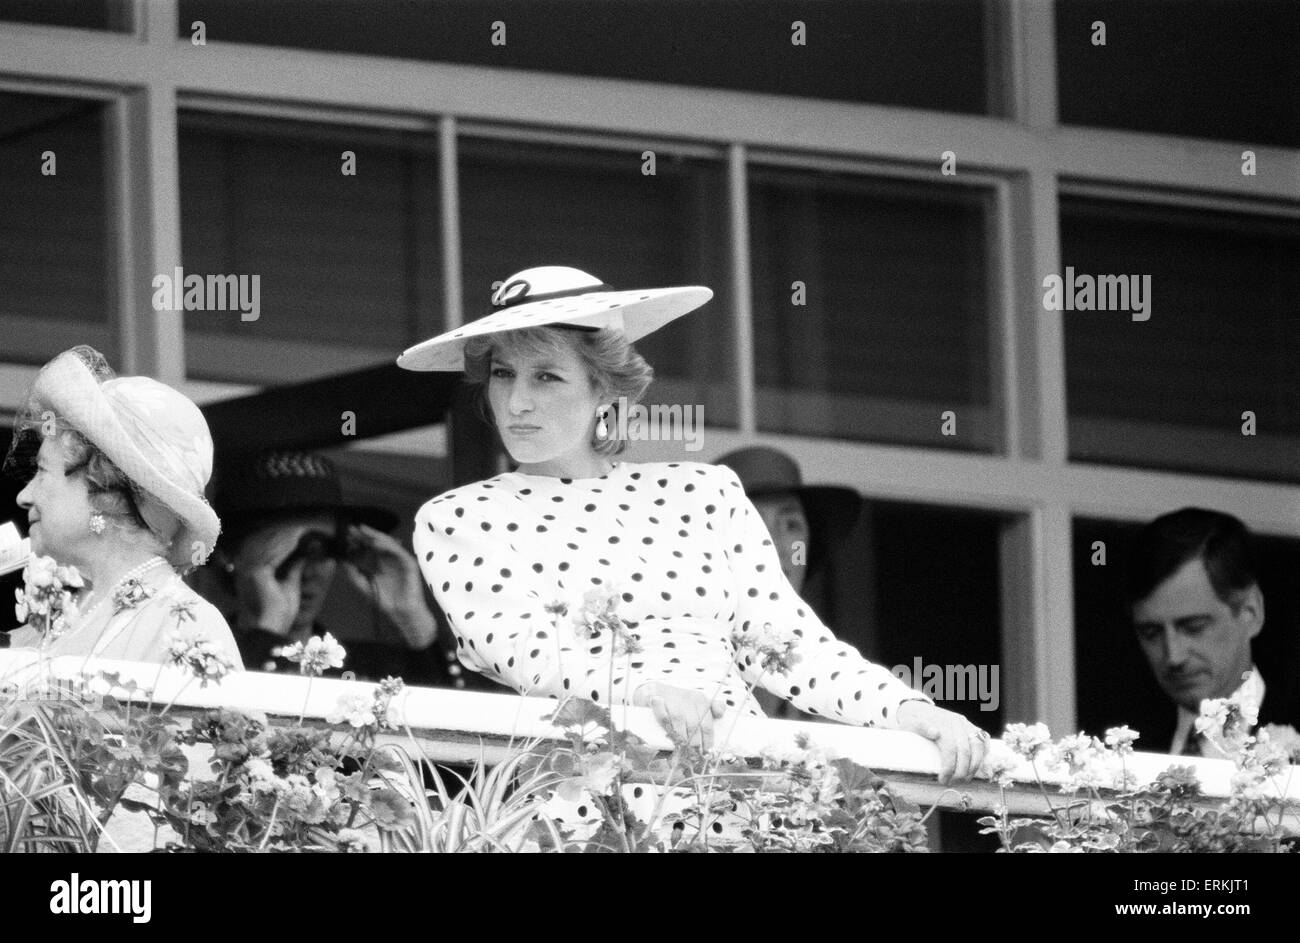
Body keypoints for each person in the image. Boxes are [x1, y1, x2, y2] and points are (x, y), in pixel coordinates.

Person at [398, 266, 988, 783]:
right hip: (590, 794)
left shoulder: (702, 490)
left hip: (738, 785)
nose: (517, 402)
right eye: (504, 375)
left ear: (605, 388)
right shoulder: (460, 517)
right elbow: (523, 649)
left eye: (545, 376)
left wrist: (908, 710)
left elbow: (787, 643)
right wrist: (643, 695)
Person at [2, 346, 241, 666]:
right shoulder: (58, 620)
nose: (25, 496)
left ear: (104, 489)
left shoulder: (187, 628)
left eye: (43, 471)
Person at [208, 450, 445, 682]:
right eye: (288, 553)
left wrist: (413, 621)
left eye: (323, 550)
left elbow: (451, 714)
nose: (307, 572)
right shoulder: (201, 655)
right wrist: (270, 627)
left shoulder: (368, 669)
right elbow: (229, 714)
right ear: (227, 554)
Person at [1126, 507, 1299, 756]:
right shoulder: (1124, 748)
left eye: (1194, 627)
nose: (1174, 656)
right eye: (1151, 633)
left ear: (1251, 612)